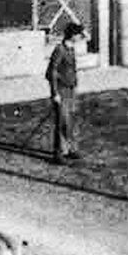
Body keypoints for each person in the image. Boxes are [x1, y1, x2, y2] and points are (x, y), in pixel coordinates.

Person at [46, 22, 85, 163]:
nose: (80, 36)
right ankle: (59, 153)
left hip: (71, 90)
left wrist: (75, 86)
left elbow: (71, 70)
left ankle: (71, 149)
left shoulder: (71, 49)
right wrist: (55, 93)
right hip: (61, 91)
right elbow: (51, 73)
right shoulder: (60, 50)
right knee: (62, 121)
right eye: (78, 34)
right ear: (72, 35)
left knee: (71, 121)